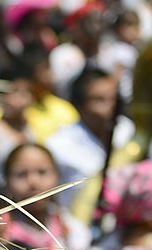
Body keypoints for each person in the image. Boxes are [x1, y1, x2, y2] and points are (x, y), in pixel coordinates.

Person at [45, 68, 133, 211]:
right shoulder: (57, 145)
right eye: (99, 100)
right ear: (79, 106)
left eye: (113, 98)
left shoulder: (127, 129)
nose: (111, 106)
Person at [3, 142, 90, 250]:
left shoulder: (73, 231)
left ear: (57, 177)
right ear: (7, 181)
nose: (33, 181)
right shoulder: (0, 235)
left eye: (42, 172)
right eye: (21, 174)